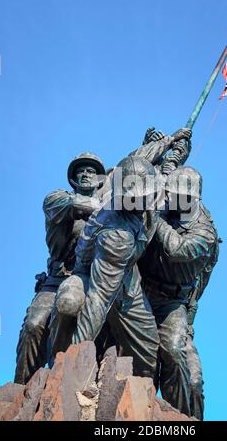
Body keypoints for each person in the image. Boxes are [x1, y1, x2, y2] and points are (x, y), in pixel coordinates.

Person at [49, 128, 192, 379]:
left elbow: (146, 160)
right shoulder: (116, 232)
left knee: (147, 352)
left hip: (129, 277)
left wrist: (174, 144)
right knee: (70, 304)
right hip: (96, 274)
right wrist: (71, 367)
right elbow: (98, 300)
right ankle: (61, 366)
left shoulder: (149, 192)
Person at [14, 153, 106, 384]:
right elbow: (77, 205)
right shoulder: (57, 199)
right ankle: (22, 388)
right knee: (33, 326)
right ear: (73, 179)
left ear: (100, 178)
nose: (85, 174)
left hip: (93, 281)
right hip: (57, 279)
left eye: (91, 171)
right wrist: (110, 206)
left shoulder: (111, 206)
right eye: (81, 171)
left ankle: (61, 376)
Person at [138, 166, 219, 418]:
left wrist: (156, 218)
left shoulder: (205, 233)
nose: (170, 198)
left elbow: (178, 249)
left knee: (174, 352)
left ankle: (178, 417)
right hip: (141, 291)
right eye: (169, 193)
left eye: (176, 195)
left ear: (193, 198)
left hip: (172, 302)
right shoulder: (166, 204)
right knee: (142, 357)